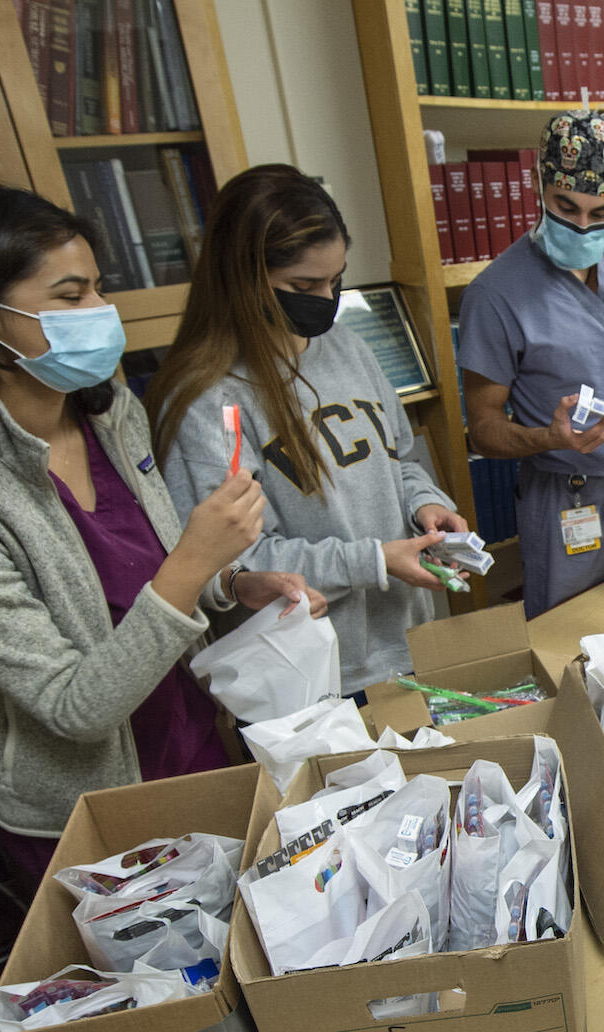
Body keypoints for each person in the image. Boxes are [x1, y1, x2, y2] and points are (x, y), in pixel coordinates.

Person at [0, 183, 320, 886]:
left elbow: (140, 576)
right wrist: (196, 560)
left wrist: (232, 582)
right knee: (151, 978)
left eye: (98, 289)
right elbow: (75, 706)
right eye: (69, 297)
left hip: (184, 735)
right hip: (80, 802)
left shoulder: (109, 414)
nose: (99, 313)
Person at [148, 164, 464, 696]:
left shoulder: (347, 347)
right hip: (311, 672)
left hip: (406, 642)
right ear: (244, 276)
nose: (325, 299)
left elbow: (398, 460)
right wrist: (373, 561)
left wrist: (424, 504)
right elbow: (229, 563)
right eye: (304, 285)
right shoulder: (211, 399)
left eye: (336, 280)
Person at [459, 110, 604, 616]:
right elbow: (482, 428)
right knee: (573, 641)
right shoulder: (496, 295)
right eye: (565, 207)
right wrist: (548, 438)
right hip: (565, 500)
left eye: (601, 212)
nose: (582, 226)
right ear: (537, 184)